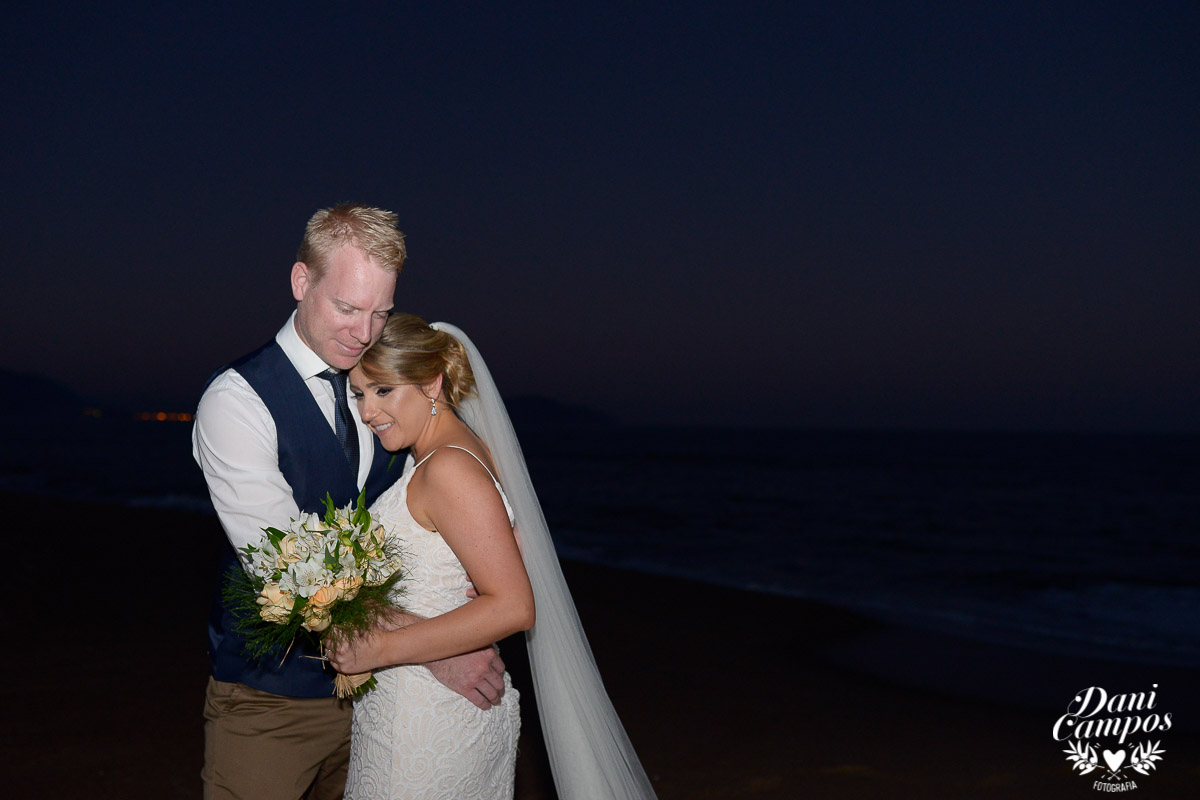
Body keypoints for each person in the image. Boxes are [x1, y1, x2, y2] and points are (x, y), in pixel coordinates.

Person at [193, 205, 506, 800]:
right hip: (274, 703)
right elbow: (289, 567)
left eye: (380, 312)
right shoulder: (236, 401)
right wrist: (440, 647)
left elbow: (448, 482)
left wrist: (479, 558)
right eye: (347, 308)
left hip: (389, 699)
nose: (364, 332)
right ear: (301, 281)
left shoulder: (384, 383)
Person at [329, 314, 657, 800]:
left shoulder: (448, 468)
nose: (368, 411)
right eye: (358, 394)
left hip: (425, 723)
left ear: (431, 383)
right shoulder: (449, 453)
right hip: (427, 707)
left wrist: (380, 649)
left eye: (383, 391)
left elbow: (514, 606)